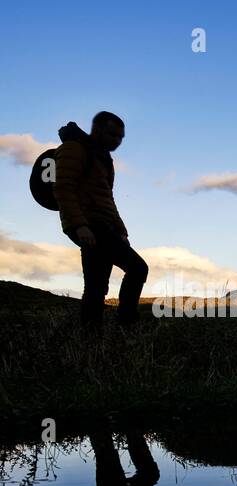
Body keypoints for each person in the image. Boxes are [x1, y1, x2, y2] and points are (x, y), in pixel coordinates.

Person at [53, 111, 148, 327]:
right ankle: (126, 325)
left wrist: (121, 230)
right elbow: (63, 188)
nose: (117, 141)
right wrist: (79, 225)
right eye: (113, 135)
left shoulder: (103, 158)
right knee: (138, 268)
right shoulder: (74, 149)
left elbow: (107, 198)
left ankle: (91, 341)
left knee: (96, 287)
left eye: (120, 137)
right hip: (90, 226)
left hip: (104, 227)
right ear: (97, 130)